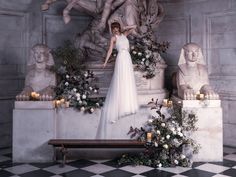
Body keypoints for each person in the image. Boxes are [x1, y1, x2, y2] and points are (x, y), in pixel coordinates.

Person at [96, 22, 139, 139]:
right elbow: (110, 50)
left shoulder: (125, 34)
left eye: (116, 28)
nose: (115, 30)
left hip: (127, 58)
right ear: (112, 30)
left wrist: (125, 27)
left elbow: (135, 26)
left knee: (128, 80)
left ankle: (127, 102)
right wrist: (105, 62)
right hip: (120, 58)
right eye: (113, 29)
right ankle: (119, 104)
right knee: (120, 79)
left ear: (119, 28)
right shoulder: (113, 38)